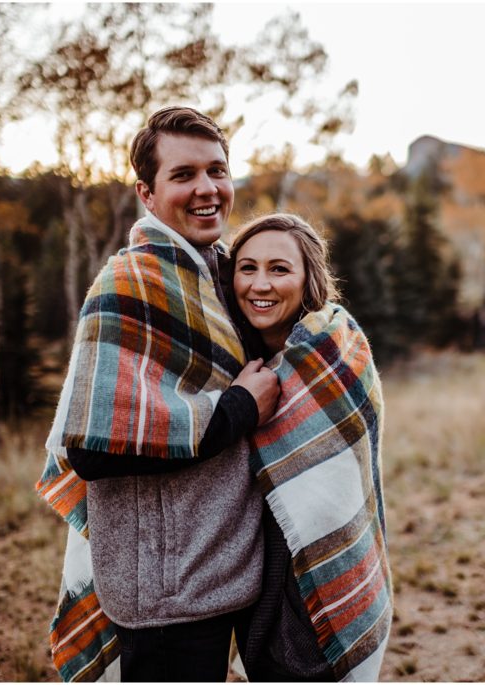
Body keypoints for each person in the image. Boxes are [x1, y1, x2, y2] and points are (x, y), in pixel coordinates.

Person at [36, 106, 280, 682]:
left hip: (224, 568)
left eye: (217, 170)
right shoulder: (129, 285)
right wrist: (239, 408)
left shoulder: (224, 276)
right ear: (146, 194)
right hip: (167, 594)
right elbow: (93, 449)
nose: (207, 189)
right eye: (184, 175)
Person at [228, 214, 393, 682]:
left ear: (308, 279)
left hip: (317, 568)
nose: (260, 284)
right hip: (250, 564)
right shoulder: (232, 359)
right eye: (247, 268)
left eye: (279, 269)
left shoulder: (332, 351)